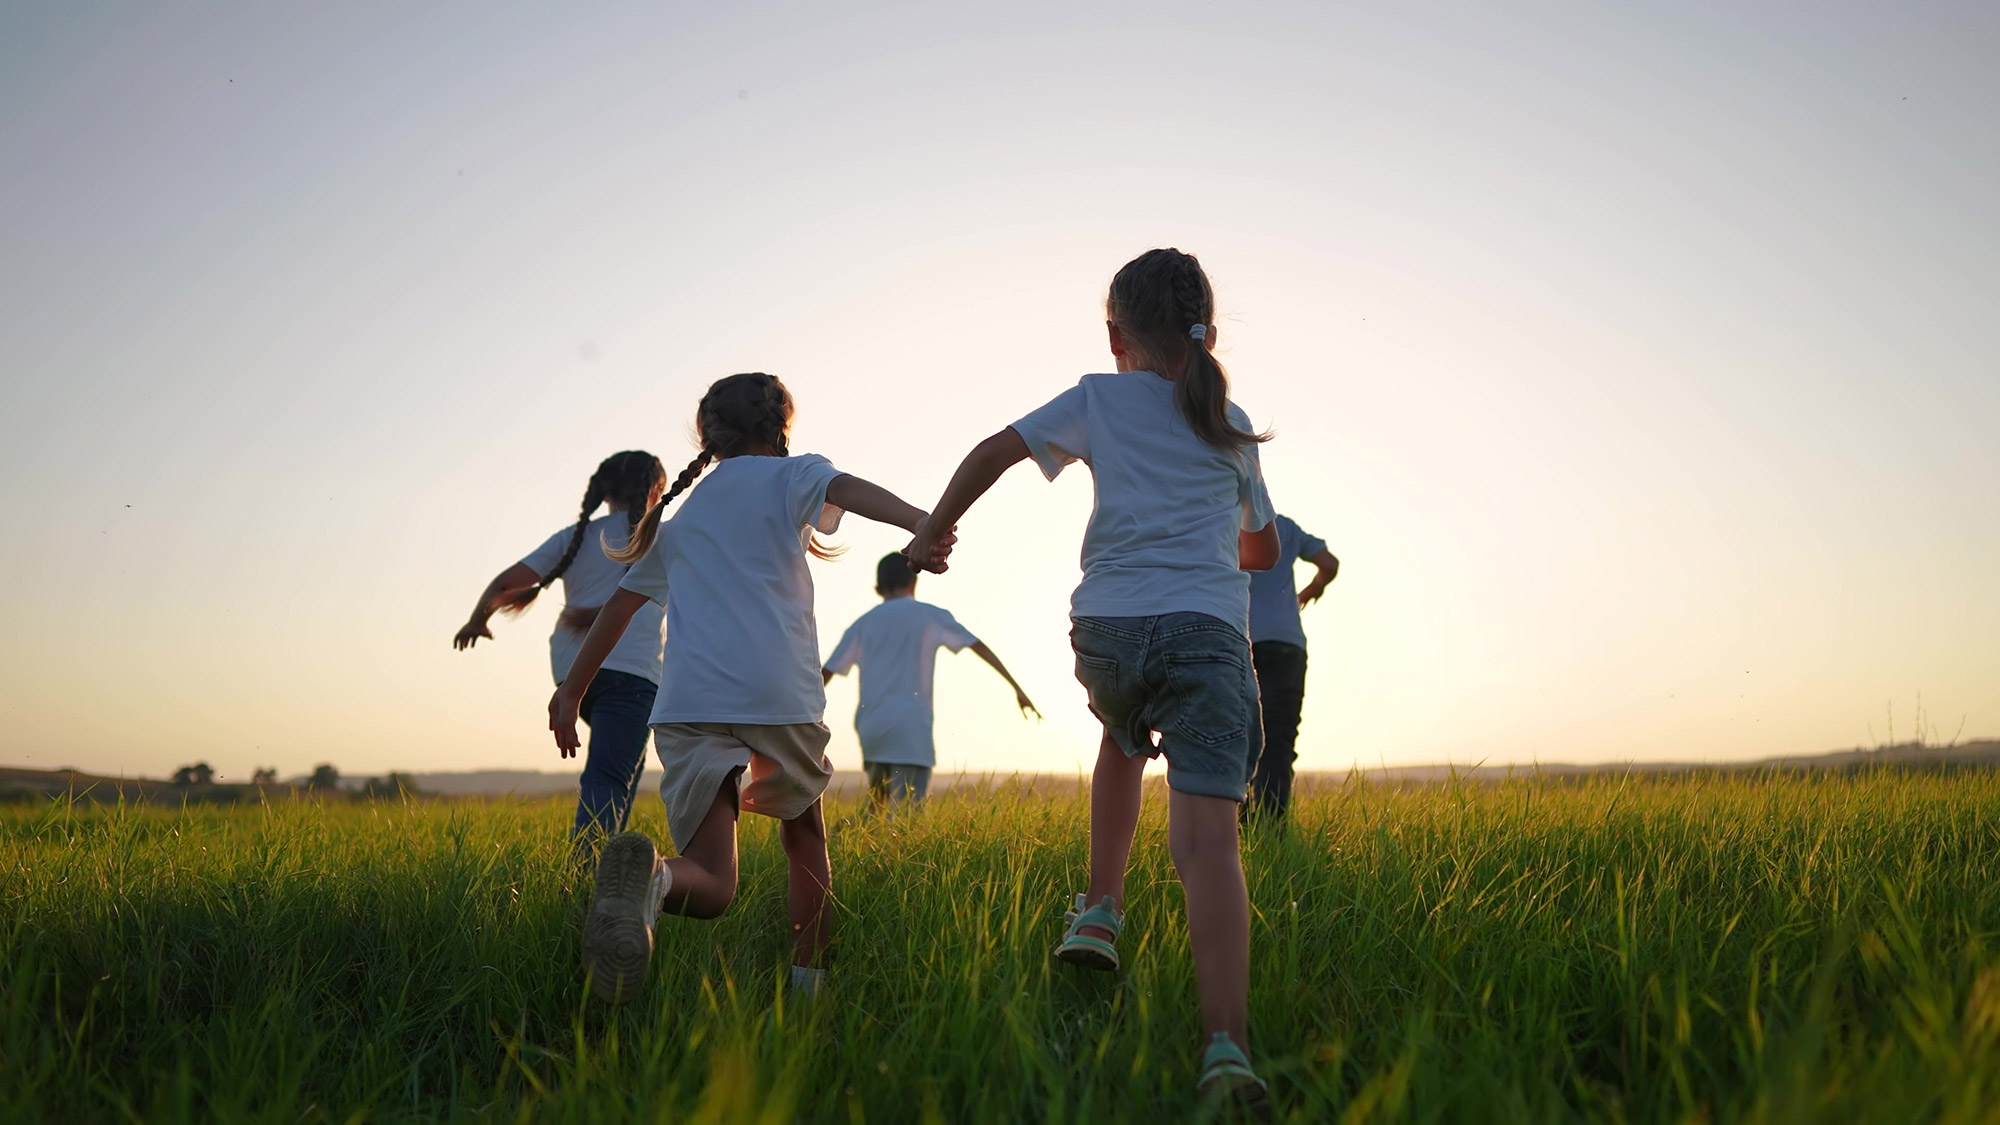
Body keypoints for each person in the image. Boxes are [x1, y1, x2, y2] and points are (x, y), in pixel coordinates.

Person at [906, 248, 1278, 1109]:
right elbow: (1259, 549)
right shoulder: (1230, 418)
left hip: (1107, 630)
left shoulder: (1097, 397)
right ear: (1208, 332)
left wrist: (932, 531)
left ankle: (1100, 907)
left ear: (1115, 334)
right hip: (1208, 637)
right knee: (1208, 849)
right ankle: (1227, 1046)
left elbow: (993, 451)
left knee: (1120, 734)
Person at [549, 372, 951, 1004]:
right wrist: (921, 525)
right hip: (777, 696)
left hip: (689, 705)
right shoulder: (794, 476)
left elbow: (617, 611)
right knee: (804, 840)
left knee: (710, 878)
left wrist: (571, 691)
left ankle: (654, 879)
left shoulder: (675, 519)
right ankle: (809, 990)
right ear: (781, 429)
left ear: (708, 436)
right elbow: (850, 489)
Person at [454, 451, 667, 846]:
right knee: (609, 777)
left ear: (604, 493)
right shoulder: (660, 536)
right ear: (656, 491)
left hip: (573, 673)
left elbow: (506, 584)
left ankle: (606, 863)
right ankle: (586, 876)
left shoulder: (576, 537)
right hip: (633, 673)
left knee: (619, 771)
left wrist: (478, 618)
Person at [822, 553, 1040, 808]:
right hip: (910, 729)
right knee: (905, 816)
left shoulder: (861, 624)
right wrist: (1018, 689)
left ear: (878, 589)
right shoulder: (930, 616)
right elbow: (978, 646)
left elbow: (826, 673)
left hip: (872, 728)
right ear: (914, 583)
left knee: (876, 808)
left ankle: (833, 843)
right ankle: (837, 843)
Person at [1243, 515, 1339, 823]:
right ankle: (1273, 830)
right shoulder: (1284, 527)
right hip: (1286, 644)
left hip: (1239, 641)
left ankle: (1237, 827)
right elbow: (1329, 563)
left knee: (1235, 734)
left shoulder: (1219, 523)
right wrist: (1310, 592)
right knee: (1279, 740)